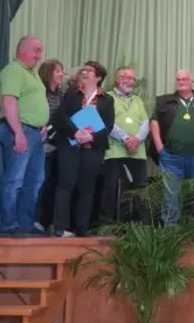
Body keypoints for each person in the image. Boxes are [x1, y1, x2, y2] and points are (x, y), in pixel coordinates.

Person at [53, 61, 115, 237]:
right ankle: (61, 227)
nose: (85, 73)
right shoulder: (72, 94)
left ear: (99, 77)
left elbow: (108, 125)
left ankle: (81, 228)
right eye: (84, 70)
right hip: (70, 146)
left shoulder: (107, 99)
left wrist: (92, 137)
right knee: (65, 185)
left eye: (90, 70)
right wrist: (75, 132)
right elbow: (60, 116)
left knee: (87, 188)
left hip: (93, 149)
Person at [0, 36, 49, 237]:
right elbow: (9, 102)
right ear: (23, 49)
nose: (39, 55)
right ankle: (9, 225)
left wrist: (41, 124)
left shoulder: (32, 74)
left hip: (35, 133)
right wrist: (18, 132)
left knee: (35, 180)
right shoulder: (13, 71)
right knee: (15, 180)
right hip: (20, 130)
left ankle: (25, 224)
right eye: (36, 50)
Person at [149, 70, 194, 224]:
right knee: (171, 195)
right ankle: (170, 231)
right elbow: (154, 121)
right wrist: (159, 146)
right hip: (171, 156)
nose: (181, 82)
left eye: (185, 79)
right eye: (178, 79)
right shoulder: (164, 100)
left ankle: (192, 229)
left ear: (192, 81)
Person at [100, 67, 150, 223]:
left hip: (137, 151)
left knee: (139, 188)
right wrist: (125, 138)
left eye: (132, 79)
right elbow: (107, 122)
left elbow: (145, 122)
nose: (130, 81)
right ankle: (106, 223)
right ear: (117, 79)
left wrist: (137, 139)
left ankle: (137, 224)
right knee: (111, 187)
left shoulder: (138, 100)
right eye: (126, 77)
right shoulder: (107, 98)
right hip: (115, 151)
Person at [35, 58, 65, 233]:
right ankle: (37, 220)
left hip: (58, 147)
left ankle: (50, 222)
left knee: (54, 185)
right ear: (48, 73)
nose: (61, 74)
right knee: (41, 183)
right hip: (43, 146)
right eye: (57, 71)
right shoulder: (41, 93)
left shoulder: (61, 95)